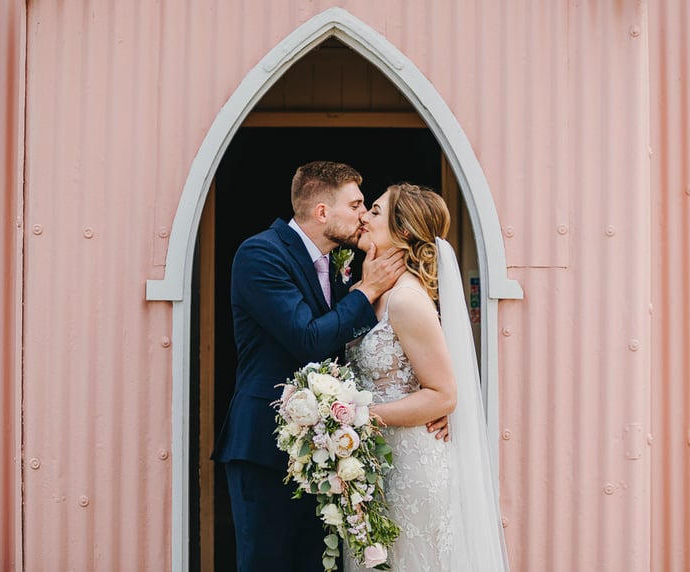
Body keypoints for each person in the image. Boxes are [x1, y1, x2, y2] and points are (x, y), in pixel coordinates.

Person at [210, 161, 448, 572]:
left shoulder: (347, 266)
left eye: (369, 207)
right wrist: (366, 289)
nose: (363, 215)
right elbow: (307, 339)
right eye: (356, 205)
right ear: (322, 212)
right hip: (266, 448)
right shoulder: (261, 254)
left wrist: (430, 403)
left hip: (335, 455)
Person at [345, 183, 511, 571]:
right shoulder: (366, 293)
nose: (364, 217)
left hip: (411, 467)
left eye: (374, 210)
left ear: (403, 230)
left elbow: (443, 395)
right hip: (375, 464)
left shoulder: (406, 300)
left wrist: (360, 417)